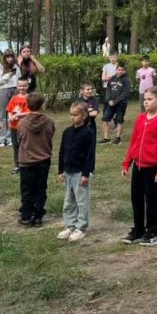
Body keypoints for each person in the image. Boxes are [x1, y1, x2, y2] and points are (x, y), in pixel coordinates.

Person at [122, 88, 157, 245]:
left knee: (151, 200)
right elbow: (133, 142)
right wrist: (127, 163)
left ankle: (152, 232)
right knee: (136, 198)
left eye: (150, 99)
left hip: (153, 168)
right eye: (145, 99)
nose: (146, 102)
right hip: (138, 166)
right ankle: (138, 230)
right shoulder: (140, 118)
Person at [57, 102, 97, 242]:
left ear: (84, 116)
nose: (72, 117)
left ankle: (81, 227)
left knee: (82, 201)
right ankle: (71, 225)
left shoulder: (88, 133)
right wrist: (60, 170)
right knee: (69, 201)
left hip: (80, 173)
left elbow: (90, 155)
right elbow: (62, 151)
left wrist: (86, 174)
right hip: (68, 171)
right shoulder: (67, 132)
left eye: (75, 115)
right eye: (71, 114)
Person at [17, 93, 55, 227]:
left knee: (27, 189)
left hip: (26, 161)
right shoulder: (49, 122)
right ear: (42, 105)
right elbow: (51, 134)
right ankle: (38, 216)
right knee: (40, 188)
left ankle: (26, 217)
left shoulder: (22, 123)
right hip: (43, 160)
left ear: (27, 106)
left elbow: (19, 138)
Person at [0, 51, 20, 147]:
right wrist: (8, 75)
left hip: (14, 90)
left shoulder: (16, 66)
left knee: (12, 114)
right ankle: (1, 139)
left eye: (11, 57)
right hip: (3, 90)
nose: (10, 59)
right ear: (4, 58)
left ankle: (10, 138)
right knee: (2, 115)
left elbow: (19, 79)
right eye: (8, 57)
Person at [102, 62, 131, 145]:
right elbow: (108, 89)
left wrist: (116, 101)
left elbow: (125, 93)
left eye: (122, 70)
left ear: (125, 71)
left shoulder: (126, 80)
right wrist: (108, 100)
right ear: (116, 69)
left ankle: (118, 138)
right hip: (110, 103)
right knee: (105, 119)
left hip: (121, 104)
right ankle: (106, 138)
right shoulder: (112, 78)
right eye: (119, 69)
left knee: (119, 120)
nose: (120, 71)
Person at [6, 79, 31, 174]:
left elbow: (30, 112)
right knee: (15, 145)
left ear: (28, 86)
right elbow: (9, 110)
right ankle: (17, 165)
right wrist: (10, 117)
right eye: (20, 86)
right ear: (17, 86)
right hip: (13, 126)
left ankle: (26, 164)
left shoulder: (29, 98)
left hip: (24, 126)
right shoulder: (14, 98)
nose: (22, 88)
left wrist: (17, 115)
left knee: (24, 145)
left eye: (24, 86)